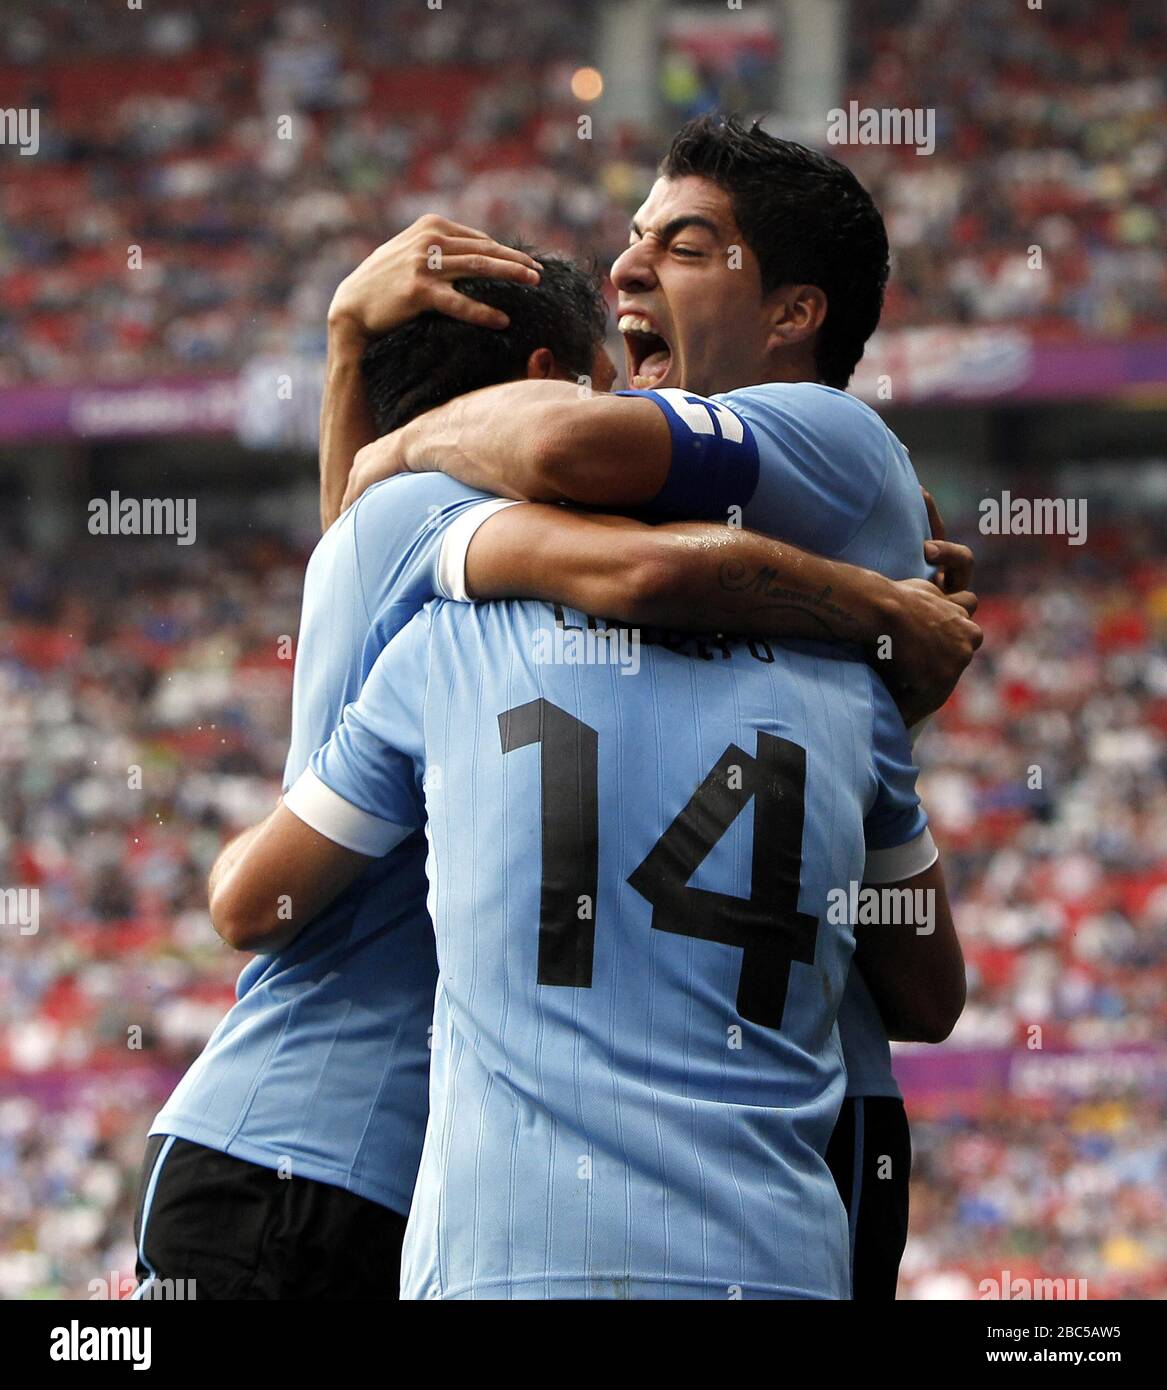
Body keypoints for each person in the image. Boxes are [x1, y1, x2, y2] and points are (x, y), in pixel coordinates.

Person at [134, 231, 977, 1299]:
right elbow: (637, 570)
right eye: (604, 390)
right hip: (308, 1156)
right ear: (544, 393)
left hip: (395, 1177)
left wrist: (350, 348)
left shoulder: (421, 584)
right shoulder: (458, 554)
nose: (626, 415)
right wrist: (873, 609)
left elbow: (373, 527)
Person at [341, 114, 967, 1298]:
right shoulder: (687, 529)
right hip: (740, 1128)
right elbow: (369, 596)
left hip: (793, 1127)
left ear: (792, 314)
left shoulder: (830, 432)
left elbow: (576, 444)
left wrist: (406, 447)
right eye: (633, 238)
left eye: (683, 245)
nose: (626, 267)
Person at [208, 587, 965, 1299]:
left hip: (508, 1256)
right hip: (775, 1251)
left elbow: (251, 908)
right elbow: (929, 999)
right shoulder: (851, 692)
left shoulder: (452, 642)